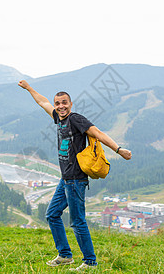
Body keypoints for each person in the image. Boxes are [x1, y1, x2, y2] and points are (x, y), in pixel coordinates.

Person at [18, 80, 132, 271]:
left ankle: (90, 261)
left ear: (70, 104)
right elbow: (42, 102)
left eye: (64, 103)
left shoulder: (76, 119)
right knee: (52, 214)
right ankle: (65, 255)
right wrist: (29, 88)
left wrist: (119, 149)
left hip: (76, 180)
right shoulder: (58, 118)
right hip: (65, 180)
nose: (60, 106)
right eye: (58, 103)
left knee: (78, 221)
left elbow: (98, 133)